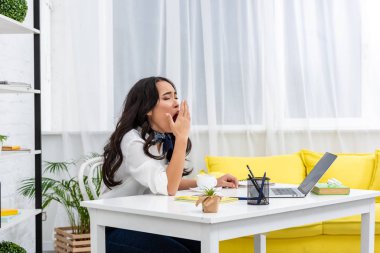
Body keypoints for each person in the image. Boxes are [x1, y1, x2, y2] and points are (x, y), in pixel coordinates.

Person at [101, 76, 238, 253]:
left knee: (201, 244)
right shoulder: (132, 141)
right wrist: (181, 137)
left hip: (146, 221)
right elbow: (169, 187)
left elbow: (166, 182)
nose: (176, 103)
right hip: (115, 225)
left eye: (175, 96)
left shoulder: (160, 139)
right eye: (167, 98)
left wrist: (214, 182)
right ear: (147, 108)